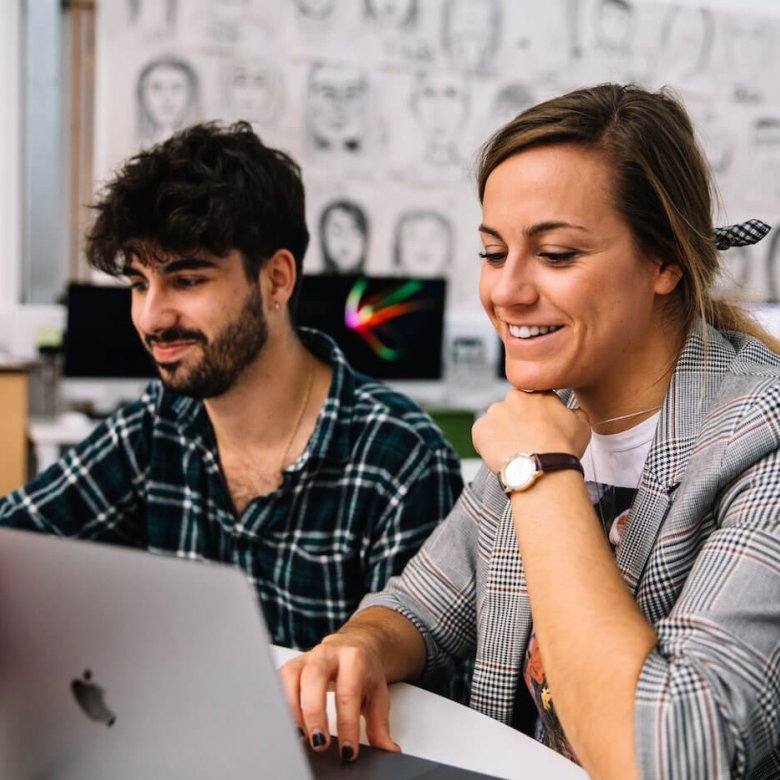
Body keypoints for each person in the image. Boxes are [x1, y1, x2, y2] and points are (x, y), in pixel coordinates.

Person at [280, 83, 780, 778]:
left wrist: (541, 471)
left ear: (664, 261)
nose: (506, 291)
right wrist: (362, 644)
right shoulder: (546, 411)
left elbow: (669, 758)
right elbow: (422, 608)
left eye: (557, 255)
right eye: (492, 253)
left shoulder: (761, 439)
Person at [0, 121, 463, 653]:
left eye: (187, 280)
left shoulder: (400, 458)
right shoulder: (160, 421)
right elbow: (15, 543)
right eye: (138, 284)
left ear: (276, 280)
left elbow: (424, 707)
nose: (152, 317)